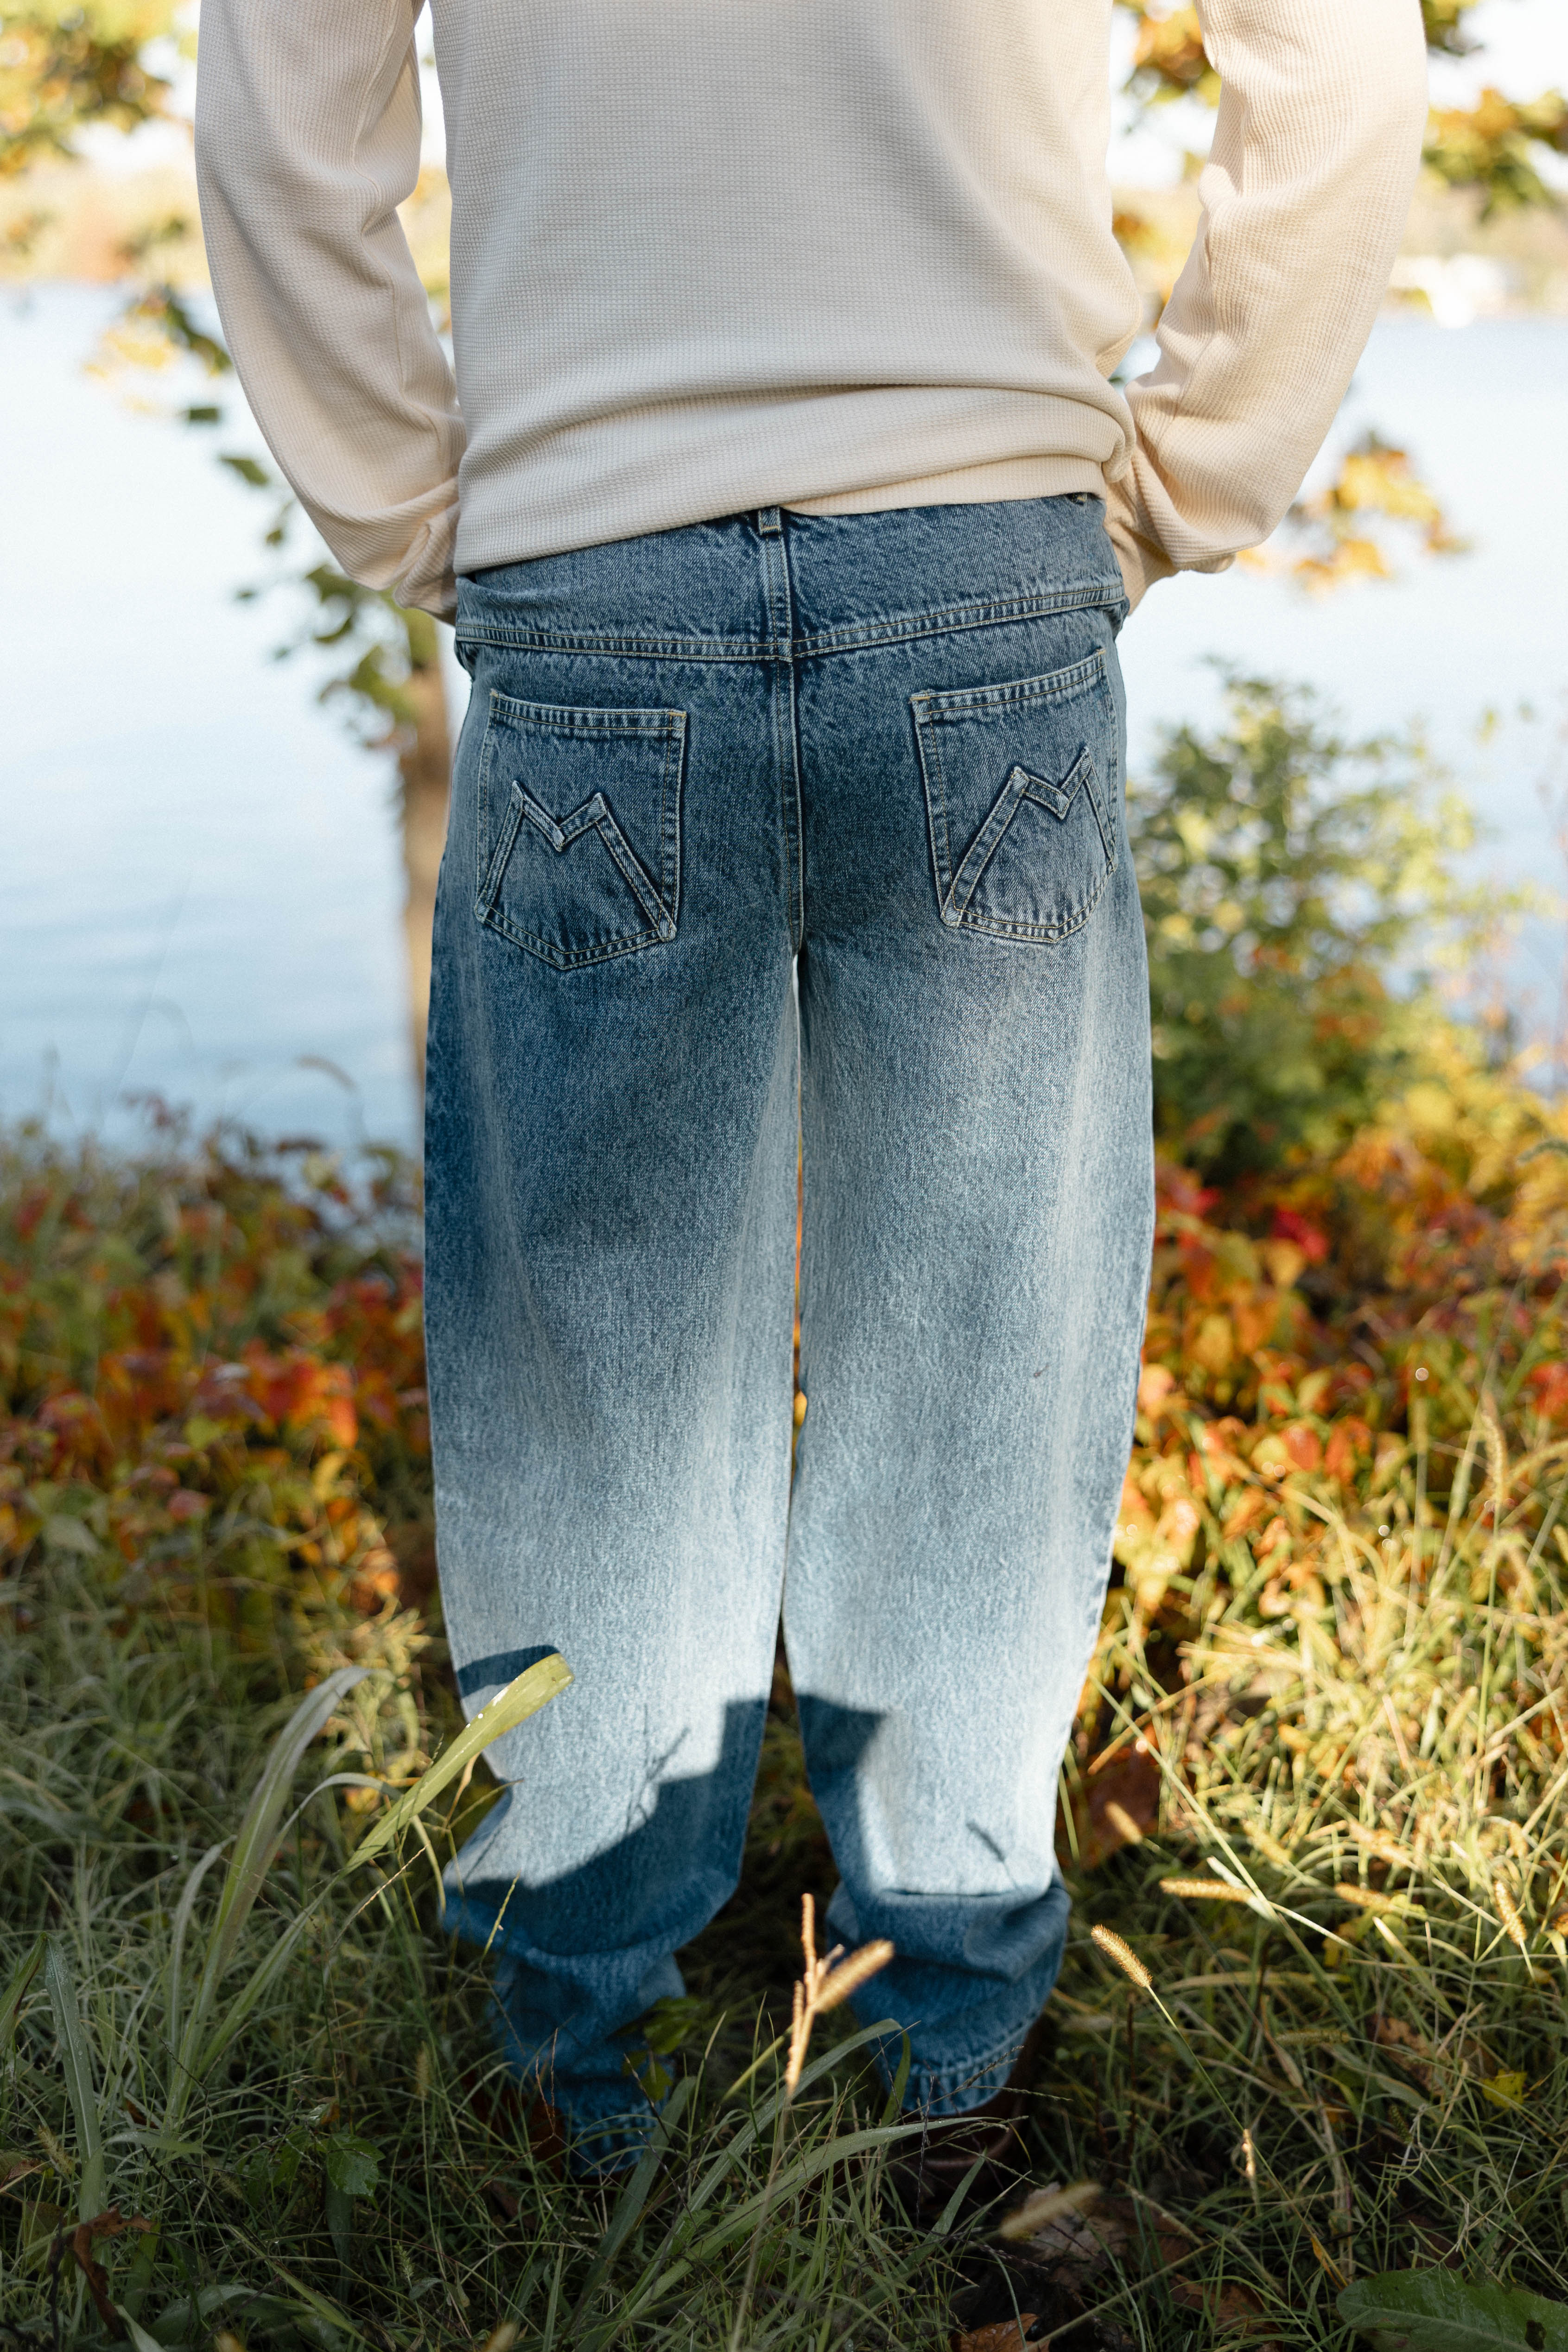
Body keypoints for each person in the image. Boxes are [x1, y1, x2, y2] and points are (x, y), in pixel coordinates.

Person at [195, 0, 1427, 2185]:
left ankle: (588, 2108)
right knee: (982, 1361)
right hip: (983, 563)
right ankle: (941, 2069)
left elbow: (291, 115)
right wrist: (1190, 473)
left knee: (597, 1387)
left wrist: (420, 512)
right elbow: (1329, 52)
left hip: (597, 572)